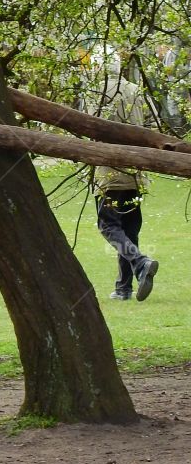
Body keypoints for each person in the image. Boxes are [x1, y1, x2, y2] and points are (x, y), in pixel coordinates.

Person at [93, 64, 159, 302]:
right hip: (135, 172)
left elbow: (87, 129)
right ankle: (124, 288)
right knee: (129, 229)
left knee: (109, 225)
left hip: (108, 173)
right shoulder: (136, 90)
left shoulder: (96, 91)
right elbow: (152, 126)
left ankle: (141, 263)